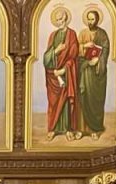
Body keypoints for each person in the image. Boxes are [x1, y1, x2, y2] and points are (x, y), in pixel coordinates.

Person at [43, 6, 81, 140]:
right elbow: (46, 58)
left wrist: (64, 69)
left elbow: (74, 54)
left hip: (66, 73)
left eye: (61, 19)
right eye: (57, 20)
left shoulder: (72, 34)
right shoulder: (53, 36)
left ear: (66, 19)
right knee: (53, 103)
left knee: (65, 103)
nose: (59, 22)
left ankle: (67, 129)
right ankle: (53, 128)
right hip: (53, 75)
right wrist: (56, 51)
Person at [77, 7, 111, 139]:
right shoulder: (82, 33)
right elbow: (76, 50)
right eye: (88, 19)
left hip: (97, 73)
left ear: (97, 20)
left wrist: (98, 60)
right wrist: (85, 46)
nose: (90, 22)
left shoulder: (102, 34)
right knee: (83, 97)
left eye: (93, 19)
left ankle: (95, 129)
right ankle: (81, 129)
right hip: (84, 71)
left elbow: (106, 50)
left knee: (95, 100)